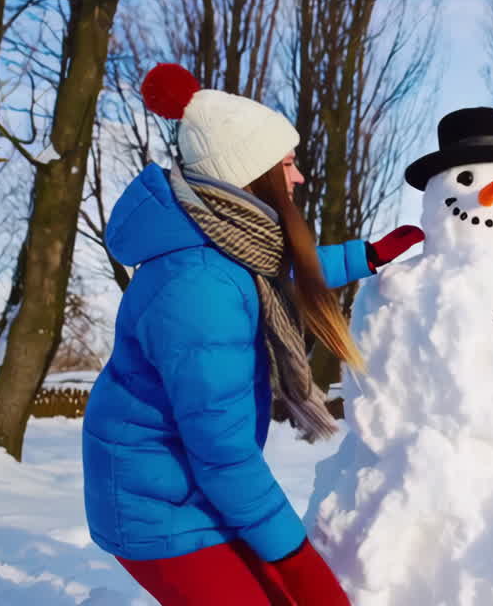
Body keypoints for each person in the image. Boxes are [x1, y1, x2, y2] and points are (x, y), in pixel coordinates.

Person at [82, 64, 425, 606]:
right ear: (252, 173)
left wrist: (368, 255)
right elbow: (223, 453)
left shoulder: (222, 242)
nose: (299, 178)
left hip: (190, 489)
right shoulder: (198, 285)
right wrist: (298, 563)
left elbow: (281, 268)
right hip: (158, 507)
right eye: (287, 163)